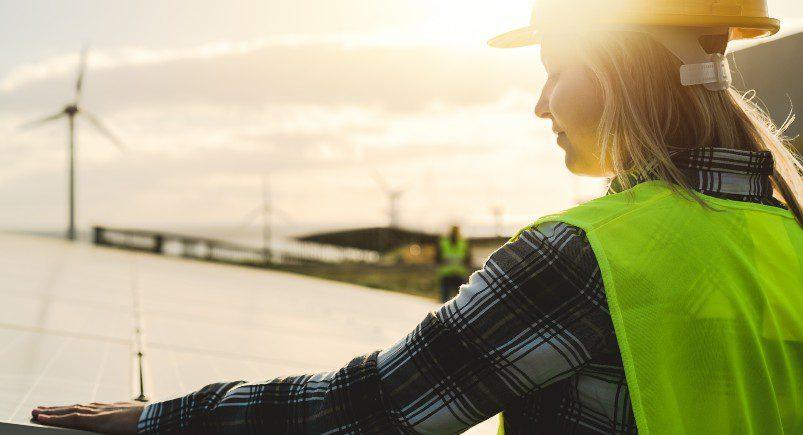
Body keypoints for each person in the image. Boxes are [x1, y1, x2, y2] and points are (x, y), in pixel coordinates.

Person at [31, 0, 803, 433]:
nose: (539, 104)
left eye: (556, 71)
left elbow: (371, 408)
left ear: (618, 71)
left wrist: (161, 417)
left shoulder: (583, 256)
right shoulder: (784, 236)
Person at [436, 224, 471, 302]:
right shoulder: (463, 243)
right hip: (458, 274)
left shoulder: (444, 242)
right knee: (460, 301)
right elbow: (468, 260)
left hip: (447, 274)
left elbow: (437, 258)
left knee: (445, 301)